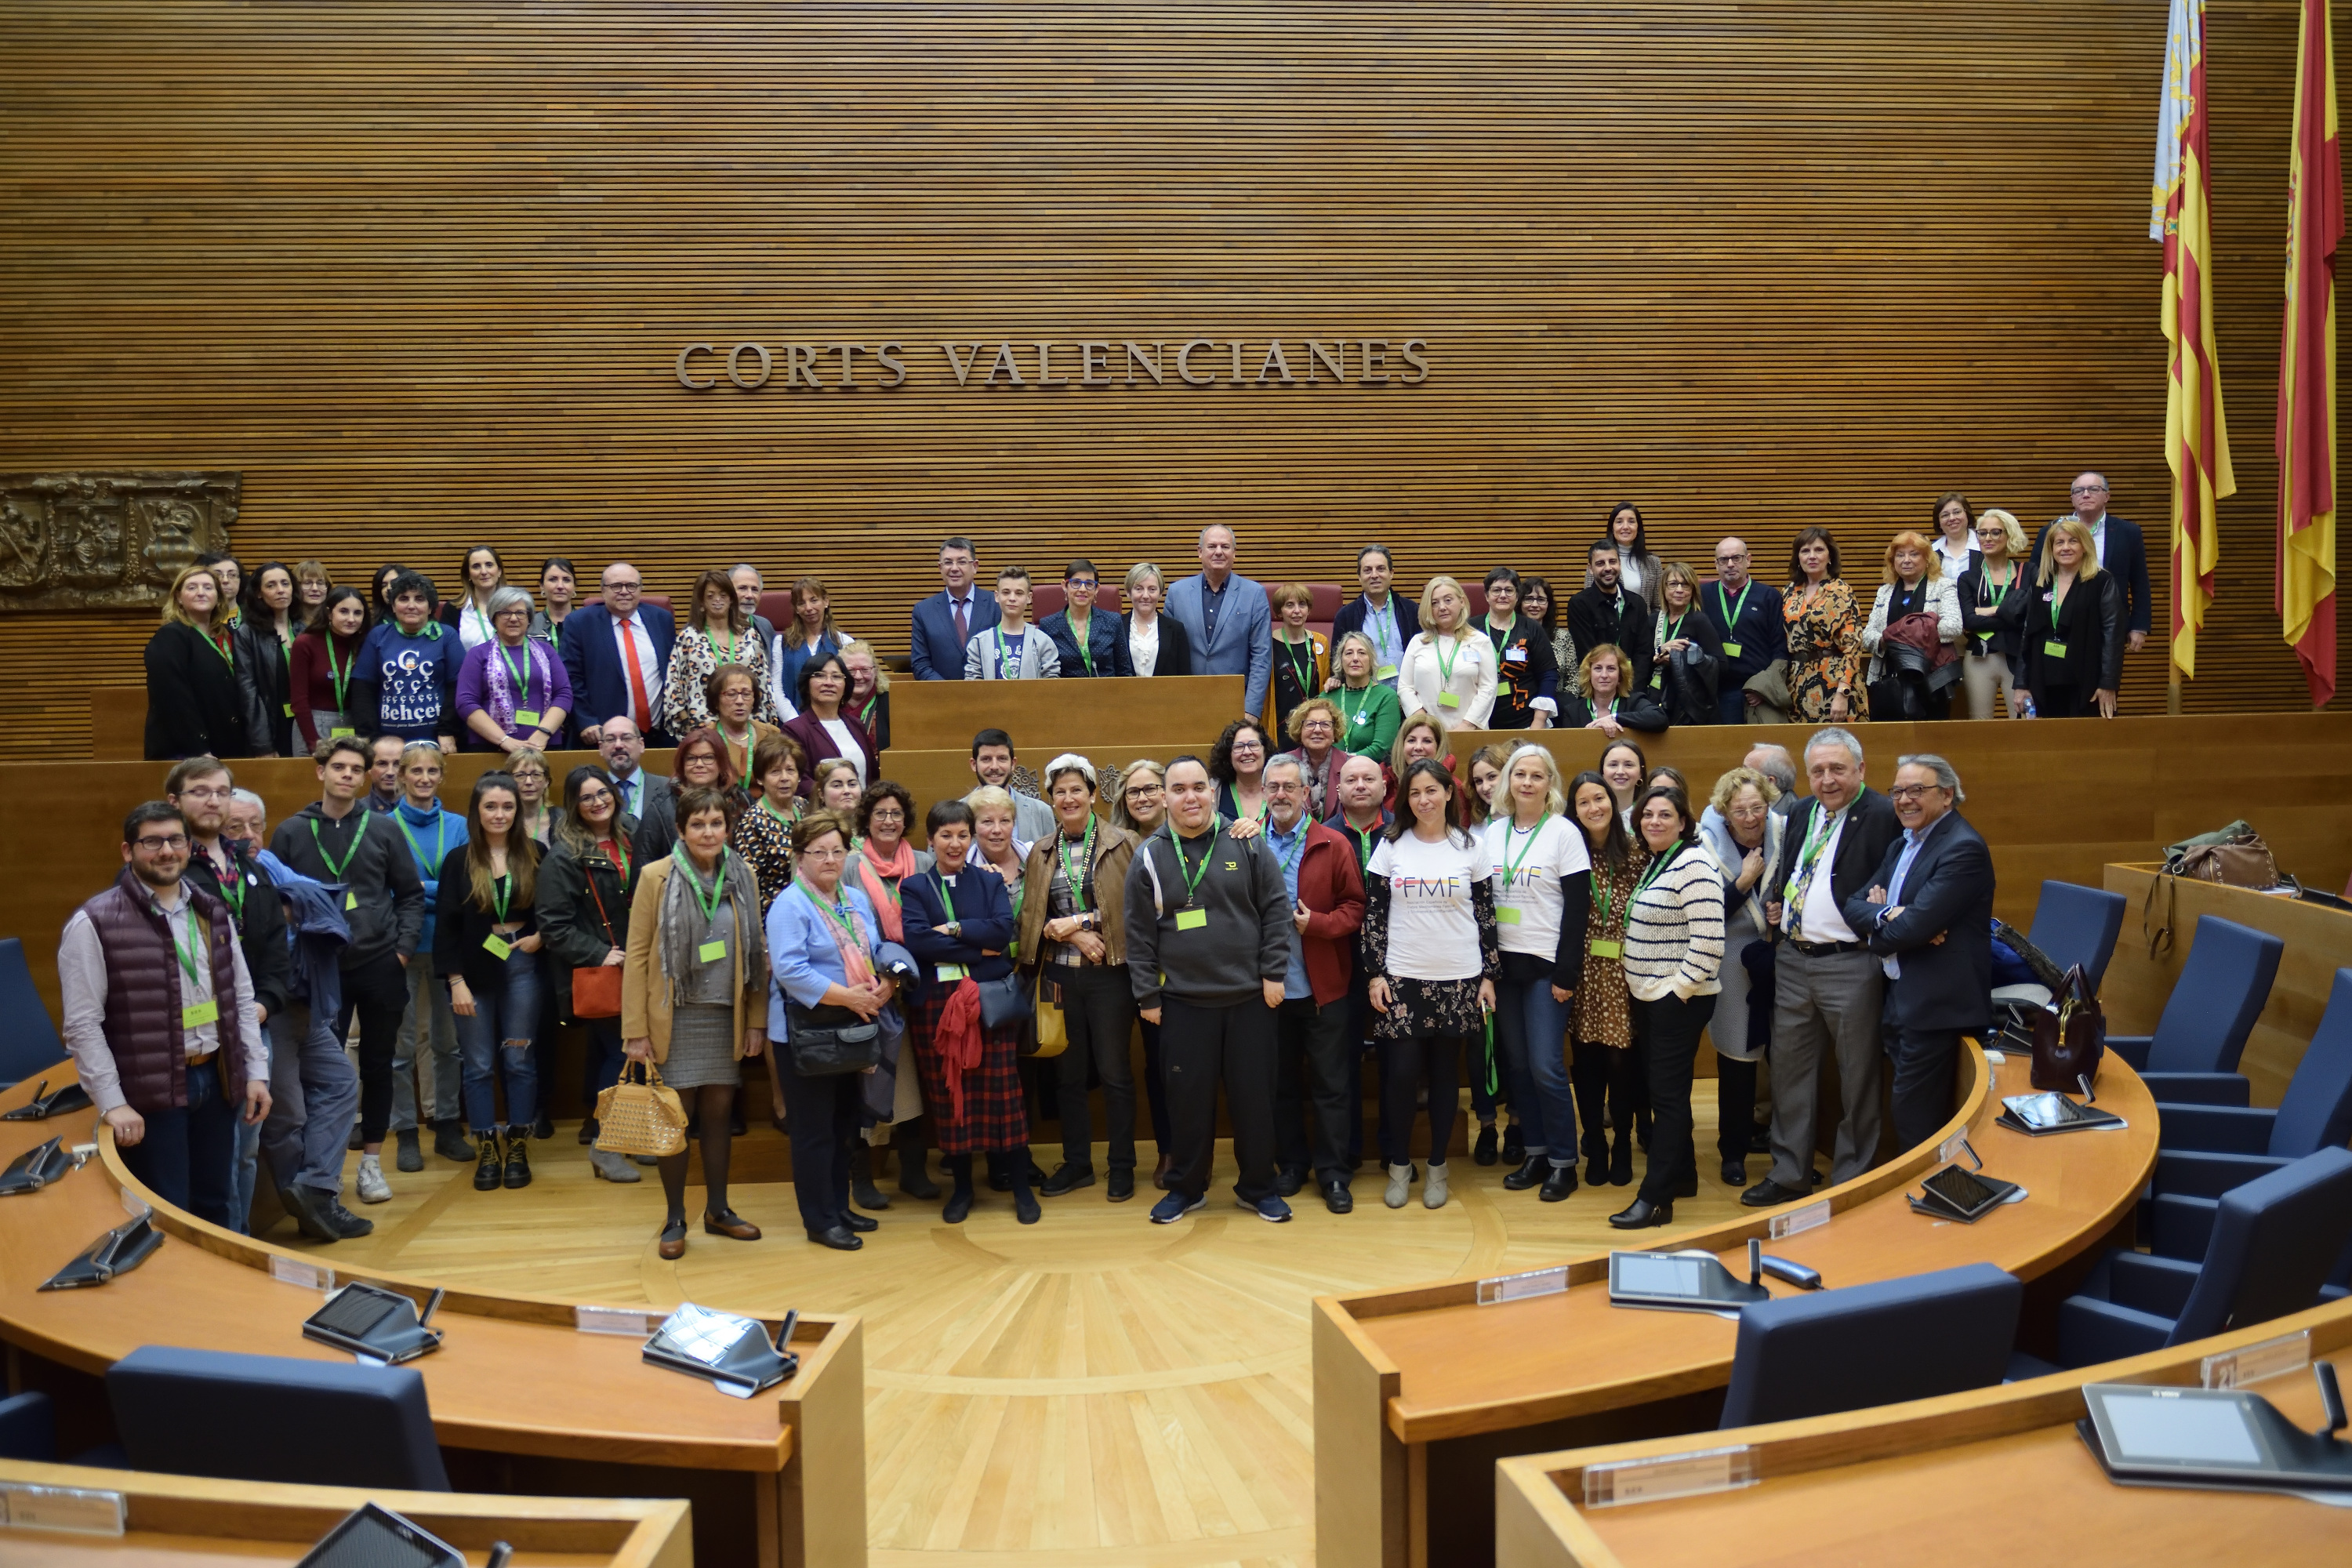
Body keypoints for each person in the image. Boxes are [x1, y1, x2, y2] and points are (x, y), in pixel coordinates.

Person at [61, 801, 270, 1226]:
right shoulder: (95, 921)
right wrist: (112, 1104)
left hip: (217, 1078)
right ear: (128, 851)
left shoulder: (211, 910)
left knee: (217, 1207)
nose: (166, 851)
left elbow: (241, 996)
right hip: (151, 1092)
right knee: (167, 1215)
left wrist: (256, 1071)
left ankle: (216, 1295)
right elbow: (83, 1025)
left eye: (175, 840)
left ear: (189, 846)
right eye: (151, 842)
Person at [1124, 756, 1294, 1224]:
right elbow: (1138, 934)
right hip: (1182, 1004)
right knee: (1187, 1105)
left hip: (1250, 1000)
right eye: (1178, 789)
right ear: (1164, 797)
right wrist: (1147, 996)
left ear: (1213, 793)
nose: (1190, 797)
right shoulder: (1151, 854)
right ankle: (1187, 1187)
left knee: (1255, 1101)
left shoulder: (1247, 841)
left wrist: (1274, 973)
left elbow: (1277, 911)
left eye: (1199, 787)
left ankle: (1259, 1187)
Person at [1744, 727, 1900, 1207]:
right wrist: (1777, 904)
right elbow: (1792, 871)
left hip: (1849, 963)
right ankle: (1790, 1171)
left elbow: (1894, 880)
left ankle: (1852, 1178)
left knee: (1858, 1076)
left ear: (1861, 769)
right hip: (1793, 958)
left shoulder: (1881, 815)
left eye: (1838, 769)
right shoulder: (1802, 812)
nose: (1828, 780)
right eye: (1818, 771)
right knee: (1789, 1071)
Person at [270, 736, 424, 1205]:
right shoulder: (292, 832)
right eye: (339, 767)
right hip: (319, 972)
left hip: (379, 964)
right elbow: (275, 903)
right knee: (324, 1074)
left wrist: (400, 951)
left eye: (357, 770)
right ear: (321, 772)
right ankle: (327, 1170)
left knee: (379, 1063)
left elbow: (411, 895)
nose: (347, 776)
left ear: (367, 777)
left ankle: (373, 1165)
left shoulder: (383, 828)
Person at [623, 784, 768, 1258]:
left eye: (717, 823)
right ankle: (675, 1217)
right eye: (698, 824)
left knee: (719, 1116)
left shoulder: (742, 873)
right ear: (682, 830)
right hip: (674, 1016)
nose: (709, 832)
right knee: (675, 1120)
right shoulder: (655, 876)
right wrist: (635, 1031)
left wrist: (756, 1022)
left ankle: (719, 1210)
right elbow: (638, 956)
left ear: (728, 827)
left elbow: (757, 951)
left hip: (726, 1016)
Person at [1363, 757, 1497, 1211]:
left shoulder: (1469, 847)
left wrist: (1488, 976)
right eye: (1415, 793)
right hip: (1403, 978)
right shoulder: (1390, 845)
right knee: (1400, 1077)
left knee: (1444, 1078)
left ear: (1448, 794)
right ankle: (1400, 1165)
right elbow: (1375, 916)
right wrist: (1375, 974)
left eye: (1432, 791)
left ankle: (1438, 1166)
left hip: (1459, 978)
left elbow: (1485, 916)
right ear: (1406, 799)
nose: (1424, 800)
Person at [166, 759, 291, 1234]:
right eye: (201, 791)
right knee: (211, 1160)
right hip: (199, 1038)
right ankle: (216, 1252)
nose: (213, 801)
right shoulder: (169, 866)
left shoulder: (248, 866)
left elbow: (277, 948)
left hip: (251, 1026)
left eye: (222, 791)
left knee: (246, 1152)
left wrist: (265, 1004)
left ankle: (240, 1244)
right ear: (176, 802)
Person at [768, 810, 900, 1250]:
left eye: (837, 851)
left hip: (853, 1027)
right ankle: (819, 1220)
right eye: (818, 852)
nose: (829, 859)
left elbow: (879, 948)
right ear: (799, 857)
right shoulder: (790, 904)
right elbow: (790, 970)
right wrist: (851, 998)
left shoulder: (854, 899)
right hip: (806, 1034)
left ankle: (840, 1207)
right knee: (814, 1131)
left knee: (845, 1125)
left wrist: (886, 982)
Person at [1852, 756, 1996, 1149]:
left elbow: (1915, 927)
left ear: (1947, 795)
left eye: (1917, 790)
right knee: (1910, 1111)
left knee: (1916, 1118)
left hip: (1937, 1006)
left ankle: (1932, 1198)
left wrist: (1882, 932)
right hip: (1901, 993)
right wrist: (1890, 914)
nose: (1904, 800)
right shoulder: (1903, 843)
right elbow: (1852, 904)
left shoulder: (1962, 848)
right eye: (1897, 791)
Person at [902, 799, 1035, 1222]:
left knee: (1004, 1096)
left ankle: (1019, 1188)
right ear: (931, 841)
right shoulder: (915, 888)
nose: (955, 844)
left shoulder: (989, 881)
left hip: (986, 999)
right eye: (946, 836)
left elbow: (1003, 929)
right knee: (949, 1096)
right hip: (937, 1007)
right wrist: (978, 946)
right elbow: (918, 941)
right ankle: (961, 1189)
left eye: (962, 835)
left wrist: (956, 930)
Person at [1022, 755, 1143, 1201]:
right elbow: (1035, 920)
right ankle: (1077, 1164)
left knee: (1115, 1074)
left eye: (1077, 790)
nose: (1068, 798)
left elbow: (1136, 908)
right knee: (1067, 1077)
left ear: (1093, 795)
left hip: (1110, 977)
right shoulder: (1040, 851)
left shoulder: (1124, 842)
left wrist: (1078, 924)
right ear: (1050, 801)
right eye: (1059, 792)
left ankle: (1123, 1166)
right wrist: (1072, 937)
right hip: (1059, 977)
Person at [1252, 753, 1367, 1210]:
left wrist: (1316, 924)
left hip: (1324, 989)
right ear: (1264, 793)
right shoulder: (1246, 842)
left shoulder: (1333, 843)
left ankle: (1335, 1174)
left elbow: (1355, 909)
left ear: (1307, 793)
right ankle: (1293, 1165)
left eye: (1289, 787)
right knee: (1280, 1086)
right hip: (1268, 991)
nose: (1281, 794)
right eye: (1273, 787)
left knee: (1331, 1085)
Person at [1609, 784, 1725, 1229]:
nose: (1654, 822)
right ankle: (1684, 1176)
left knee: (1669, 1098)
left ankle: (1655, 1200)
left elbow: (1710, 941)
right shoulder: (1661, 860)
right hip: (1651, 995)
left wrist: (1678, 991)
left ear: (1683, 822)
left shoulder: (1694, 863)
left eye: (1664, 815)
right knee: (1666, 1093)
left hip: (1676, 1000)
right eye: (1647, 815)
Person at [1485, 745, 1591, 1203]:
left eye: (1537, 775)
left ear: (1551, 784)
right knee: (1519, 1067)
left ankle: (1564, 1162)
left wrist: (1567, 973)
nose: (1527, 783)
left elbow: (1577, 910)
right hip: (1504, 967)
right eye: (1520, 774)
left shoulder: (1564, 833)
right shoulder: (1492, 833)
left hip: (1548, 967)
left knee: (1547, 1066)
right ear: (1508, 781)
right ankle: (1536, 1153)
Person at [437, 771, 543, 1192]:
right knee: (479, 1065)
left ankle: (517, 1144)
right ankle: (486, 1146)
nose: (499, 814)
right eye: (491, 806)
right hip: (473, 971)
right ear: (476, 812)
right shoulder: (458, 860)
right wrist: (456, 981)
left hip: (522, 966)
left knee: (518, 1060)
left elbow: (556, 912)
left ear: (518, 812)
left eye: (508, 807)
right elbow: (445, 927)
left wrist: (542, 936)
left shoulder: (536, 854)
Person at [536, 764, 641, 1183]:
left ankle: (627, 1138)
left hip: (643, 964)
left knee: (621, 1055)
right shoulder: (564, 854)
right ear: (574, 806)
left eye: (603, 793)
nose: (598, 802)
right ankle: (604, 1143)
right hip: (605, 971)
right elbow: (553, 925)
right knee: (620, 1056)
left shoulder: (633, 834)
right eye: (587, 797)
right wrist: (600, 953)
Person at [1697, 767, 1786, 1185]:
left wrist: (1780, 910)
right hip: (1730, 959)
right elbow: (1704, 911)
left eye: (1757, 808)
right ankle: (1731, 1153)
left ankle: (1787, 1151)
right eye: (1740, 811)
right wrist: (1744, 881)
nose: (1750, 818)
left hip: (1780, 957)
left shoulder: (1784, 834)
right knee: (1737, 1059)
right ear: (1725, 813)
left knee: (1788, 1058)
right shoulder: (1706, 843)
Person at [386, 742, 469, 1173]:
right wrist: (432, 890)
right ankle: (405, 1132)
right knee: (400, 1047)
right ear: (400, 776)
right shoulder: (383, 826)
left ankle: (448, 1125)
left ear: (441, 776)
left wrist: (418, 889)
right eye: (414, 771)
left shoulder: (457, 826)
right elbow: (384, 888)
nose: (423, 778)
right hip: (399, 948)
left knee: (447, 1043)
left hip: (447, 948)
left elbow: (464, 886)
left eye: (431, 771)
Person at [1566, 768, 1646, 1188]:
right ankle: (1594, 1140)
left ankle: (1623, 1143)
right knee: (1587, 1062)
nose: (1593, 807)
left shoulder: (1635, 850)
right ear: (1574, 810)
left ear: (1612, 804)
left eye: (1600, 799)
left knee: (1621, 1060)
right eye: (1583, 802)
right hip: (1581, 968)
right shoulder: (1570, 851)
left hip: (1625, 968)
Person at [1326, 751, 1392, 1175]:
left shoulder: (1408, 832)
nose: (1361, 786)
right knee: (1343, 1060)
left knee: (1396, 1063)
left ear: (1385, 787)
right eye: (1352, 780)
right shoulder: (1322, 836)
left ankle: (1394, 1151)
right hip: (1342, 961)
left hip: (1399, 962)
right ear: (1338, 789)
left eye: (1370, 778)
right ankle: (1347, 1152)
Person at [2032, 471, 2152, 664]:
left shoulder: (2128, 533)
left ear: (2107, 496)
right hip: (2057, 622)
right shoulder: (2050, 532)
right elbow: (2036, 577)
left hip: (2107, 624)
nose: (2085, 494)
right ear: (2072, 499)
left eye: (2093, 489)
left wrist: (2139, 627)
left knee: (2103, 686)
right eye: (2079, 490)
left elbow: (2140, 583)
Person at [2020, 517, 2127, 719]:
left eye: (2073, 541)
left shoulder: (2102, 581)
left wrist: (2108, 683)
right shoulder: (2041, 582)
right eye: (2059, 543)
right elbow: (2028, 634)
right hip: (2044, 680)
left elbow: (2112, 637)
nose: (2065, 548)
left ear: (2085, 546)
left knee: (2086, 744)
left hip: (2087, 682)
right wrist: (2021, 684)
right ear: (2051, 549)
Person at [562, 561, 675, 747]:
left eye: (631, 586)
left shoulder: (661, 619)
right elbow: (571, 678)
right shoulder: (580, 623)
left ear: (640, 589)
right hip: (603, 736)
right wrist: (586, 721)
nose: (624, 591)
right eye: (616, 586)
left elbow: (672, 673)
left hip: (659, 734)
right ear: (603, 590)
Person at [1166, 524, 1272, 721]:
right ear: (1199, 552)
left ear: (1234, 553)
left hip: (1236, 703)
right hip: (1186, 701)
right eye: (1212, 546)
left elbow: (1262, 656)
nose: (1218, 552)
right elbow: (1169, 655)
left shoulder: (1254, 594)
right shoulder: (1177, 593)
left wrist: (1251, 709)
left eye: (1225, 546)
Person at [145, 564, 248, 760]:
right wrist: (198, 748)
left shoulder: (228, 635)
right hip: (188, 751)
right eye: (192, 588)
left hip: (227, 743)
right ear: (179, 598)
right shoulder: (172, 636)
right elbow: (172, 696)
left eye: (208, 588)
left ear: (218, 597)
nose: (201, 593)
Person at [456, 586, 572, 754]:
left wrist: (543, 733)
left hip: (544, 746)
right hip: (491, 748)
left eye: (520, 613)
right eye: (505, 613)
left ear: (529, 618)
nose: (513, 618)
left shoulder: (547, 652)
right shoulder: (478, 654)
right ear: (494, 618)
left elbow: (564, 694)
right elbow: (465, 703)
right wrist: (504, 740)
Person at [354, 571, 461, 751]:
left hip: (436, 740)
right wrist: (369, 736)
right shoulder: (378, 635)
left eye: (419, 599)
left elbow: (457, 686)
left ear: (430, 607)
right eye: (404, 599)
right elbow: (363, 689)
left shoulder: (447, 635)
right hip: (387, 742)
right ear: (393, 607)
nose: (411, 605)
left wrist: (447, 730)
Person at [1860, 532, 1963, 720]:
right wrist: (1886, 638)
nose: (1906, 560)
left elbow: (1954, 627)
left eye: (1914, 554)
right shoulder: (1885, 591)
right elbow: (1868, 637)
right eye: (1900, 555)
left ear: (1927, 559)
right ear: (1893, 561)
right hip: (1888, 678)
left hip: (1932, 679)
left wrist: (1902, 635)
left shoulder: (1943, 586)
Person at [667, 568, 777, 735]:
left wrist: (762, 721)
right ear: (702, 602)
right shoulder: (688, 637)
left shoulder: (750, 636)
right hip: (703, 730)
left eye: (723, 595)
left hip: (747, 728)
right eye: (710, 596)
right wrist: (687, 725)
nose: (717, 600)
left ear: (732, 600)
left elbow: (763, 684)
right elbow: (674, 687)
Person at [1783, 527, 1868, 724]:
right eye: (1805, 551)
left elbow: (1853, 649)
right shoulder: (1788, 592)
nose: (1812, 556)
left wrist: (1843, 692)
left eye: (1819, 550)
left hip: (1834, 681)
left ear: (1830, 556)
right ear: (1798, 558)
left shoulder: (1841, 591)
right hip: (1796, 682)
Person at [1702, 539, 1788, 725]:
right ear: (1716, 564)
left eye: (1736, 558)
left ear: (1748, 560)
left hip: (1758, 689)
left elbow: (1780, 648)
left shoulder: (1769, 596)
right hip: (1718, 690)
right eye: (1724, 560)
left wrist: (1763, 688)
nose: (1730, 564)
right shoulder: (1702, 595)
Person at [1957, 509, 2031, 720]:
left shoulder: (2029, 572)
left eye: (1996, 532)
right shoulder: (1968, 577)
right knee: (1979, 726)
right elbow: (1970, 620)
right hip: (1980, 657)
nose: (1988, 538)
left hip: (2019, 657)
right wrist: (2011, 614)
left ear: (2010, 535)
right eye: (1982, 533)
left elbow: (2028, 617)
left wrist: (1992, 610)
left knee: (2023, 721)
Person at [1398, 574, 1497, 727]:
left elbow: (1488, 689)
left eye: (1448, 600)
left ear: (1462, 602)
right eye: (1435, 603)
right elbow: (1405, 688)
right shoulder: (1418, 642)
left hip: (1471, 730)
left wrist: (1467, 725)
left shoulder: (1480, 641)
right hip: (1427, 734)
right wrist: (1424, 723)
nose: (1442, 607)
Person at [779, 651, 880, 793]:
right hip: (822, 813)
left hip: (862, 812)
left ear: (846, 685)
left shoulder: (856, 725)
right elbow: (799, 781)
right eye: (820, 676)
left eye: (837, 677)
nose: (829, 683)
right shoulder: (794, 730)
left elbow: (873, 776)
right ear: (807, 684)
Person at [635, 725, 733, 865]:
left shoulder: (740, 800)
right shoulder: (661, 808)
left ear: (721, 762)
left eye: (708, 757)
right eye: (691, 758)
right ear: (682, 764)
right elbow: (643, 863)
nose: (699, 764)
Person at [1566, 541, 1655, 692]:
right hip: (1597, 691)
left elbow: (1644, 653)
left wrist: (1631, 690)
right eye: (1600, 563)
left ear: (1619, 564)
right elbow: (1587, 655)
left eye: (1612, 562)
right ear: (1591, 569)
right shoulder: (1579, 604)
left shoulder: (1637, 603)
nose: (1608, 568)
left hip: (1634, 690)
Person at [1329, 544, 1419, 691]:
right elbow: (1337, 664)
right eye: (1367, 570)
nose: (1374, 575)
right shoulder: (1346, 615)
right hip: (1366, 698)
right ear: (1359, 576)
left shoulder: (1412, 610)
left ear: (1391, 573)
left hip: (1409, 696)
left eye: (1380, 569)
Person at [1478, 568, 1559, 730]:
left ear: (1517, 596)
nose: (1503, 595)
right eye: (1496, 590)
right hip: (1479, 724)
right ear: (1486, 595)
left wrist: (1538, 722)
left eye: (1509, 590)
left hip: (1526, 723)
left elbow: (1548, 675)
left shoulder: (1533, 628)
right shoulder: (1471, 629)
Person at [910, 535, 1000, 681]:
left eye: (961, 562)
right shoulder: (924, 611)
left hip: (989, 696)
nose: (954, 568)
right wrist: (949, 692)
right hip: (942, 698)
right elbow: (921, 664)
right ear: (940, 567)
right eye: (948, 562)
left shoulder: (996, 604)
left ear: (975, 566)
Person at [291, 586, 369, 752]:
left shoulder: (365, 645)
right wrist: (314, 743)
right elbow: (299, 701)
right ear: (329, 614)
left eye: (357, 613)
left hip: (352, 724)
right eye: (343, 611)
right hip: (312, 725)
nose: (351, 619)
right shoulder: (305, 643)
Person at [1649, 561, 1727, 726]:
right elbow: (1638, 659)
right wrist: (1659, 650)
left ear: (1692, 591)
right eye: (1673, 584)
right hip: (1653, 697)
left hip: (1686, 704)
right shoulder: (1653, 620)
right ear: (1664, 588)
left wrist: (1680, 659)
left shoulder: (1699, 620)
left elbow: (1721, 665)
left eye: (1685, 585)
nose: (1679, 590)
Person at [235, 561, 300, 757]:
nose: (280, 590)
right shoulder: (247, 633)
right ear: (258, 593)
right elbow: (248, 692)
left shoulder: (304, 629)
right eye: (271, 585)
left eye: (285, 584)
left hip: (304, 722)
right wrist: (262, 744)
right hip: (272, 724)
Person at [735, 733, 806, 913]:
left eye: (790, 770)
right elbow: (748, 886)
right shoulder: (752, 822)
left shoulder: (804, 807)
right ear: (760, 779)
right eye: (775, 771)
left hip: (812, 908)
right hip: (775, 913)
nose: (784, 778)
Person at [965, 566, 1062, 679]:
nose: (1012, 598)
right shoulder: (979, 643)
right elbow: (972, 688)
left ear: (1029, 598)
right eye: (1006, 592)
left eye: (1019, 593)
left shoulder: (1043, 642)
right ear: (997, 596)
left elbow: (1051, 686)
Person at [957, 728, 1051, 840]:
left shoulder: (1041, 812)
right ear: (973, 764)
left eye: (1002, 759)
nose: (994, 767)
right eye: (986, 759)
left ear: (1013, 764)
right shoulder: (957, 813)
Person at [1042, 558, 1126, 678]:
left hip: (1108, 694)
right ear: (1065, 586)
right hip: (1066, 695)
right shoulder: (1048, 625)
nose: (1082, 589)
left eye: (1089, 584)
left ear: (1097, 589)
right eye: (1076, 583)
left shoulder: (1113, 621)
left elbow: (1125, 673)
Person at [1327, 631, 1403, 760]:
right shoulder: (1328, 697)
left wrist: (1346, 760)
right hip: (1329, 772)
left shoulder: (1386, 697)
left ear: (1372, 659)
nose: (1355, 658)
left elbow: (1381, 748)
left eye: (1362, 653)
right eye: (1349, 653)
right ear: (1340, 660)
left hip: (1369, 771)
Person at [1265, 583, 1330, 733]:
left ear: (1309, 610)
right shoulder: (1267, 644)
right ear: (1279, 612)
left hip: (1314, 726)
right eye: (1289, 605)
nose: (1297, 611)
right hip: (1281, 725)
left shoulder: (1321, 642)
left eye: (1302, 604)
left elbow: (1325, 684)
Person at [771, 574, 847, 704]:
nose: (808, 608)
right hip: (792, 720)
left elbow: (847, 689)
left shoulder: (844, 643)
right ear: (796, 609)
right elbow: (777, 689)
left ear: (826, 601)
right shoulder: (782, 643)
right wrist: (794, 721)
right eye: (801, 603)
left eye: (814, 600)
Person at [706, 664, 782, 792]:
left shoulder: (771, 734)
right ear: (716, 701)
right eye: (731, 694)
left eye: (746, 694)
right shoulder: (705, 738)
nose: (740, 701)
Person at [1561, 644, 1667, 735]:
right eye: (1598, 668)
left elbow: (1660, 718)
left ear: (1620, 675)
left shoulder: (1634, 702)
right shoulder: (1572, 712)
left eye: (1611, 669)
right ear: (1589, 674)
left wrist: (1614, 718)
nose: (1604, 675)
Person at [1281, 695, 1349, 819]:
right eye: (1310, 724)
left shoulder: (1349, 765)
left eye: (1325, 724)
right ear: (1300, 731)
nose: (1317, 730)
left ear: (1335, 732)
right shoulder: (1284, 765)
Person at [1120, 561, 1192, 677]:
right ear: (1128, 592)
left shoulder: (1176, 629)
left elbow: (1184, 675)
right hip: (1124, 694)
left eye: (1152, 589)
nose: (1146, 595)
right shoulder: (1117, 627)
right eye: (1139, 589)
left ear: (1160, 594)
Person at [967, 786, 1030, 915]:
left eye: (1005, 821)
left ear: (1014, 824)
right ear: (973, 828)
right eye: (988, 821)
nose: (997, 830)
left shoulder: (1035, 857)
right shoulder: (964, 872)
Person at [1594, 502, 1667, 606]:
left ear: (1638, 528)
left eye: (1631, 522)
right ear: (1612, 528)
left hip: (1643, 621)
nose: (1625, 527)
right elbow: (1590, 601)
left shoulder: (1653, 562)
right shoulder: (1598, 560)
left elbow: (1658, 606)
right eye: (1619, 522)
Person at [1210, 719, 1274, 829]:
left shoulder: (1280, 787)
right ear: (1229, 755)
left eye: (1253, 745)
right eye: (1239, 747)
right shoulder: (1214, 789)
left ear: (1265, 750)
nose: (1247, 752)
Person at [442, 546, 506, 651]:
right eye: (476, 567)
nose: (484, 571)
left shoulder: (516, 607)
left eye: (489, 565)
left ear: (499, 571)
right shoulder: (452, 610)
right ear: (468, 574)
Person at [597, 716, 654, 821]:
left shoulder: (666, 789)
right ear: (601, 748)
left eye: (626, 738)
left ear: (641, 745)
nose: (618, 745)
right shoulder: (592, 793)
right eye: (610, 739)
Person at [1519, 575, 1570, 692]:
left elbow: (1573, 681)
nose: (1535, 605)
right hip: (1520, 702)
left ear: (1549, 604)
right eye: (1529, 599)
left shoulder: (1563, 637)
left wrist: (1564, 706)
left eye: (1541, 599)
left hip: (1558, 704)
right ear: (1520, 603)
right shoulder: (1511, 636)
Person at [840, 639, 891, 750]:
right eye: (851, 670)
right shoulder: (830, 705)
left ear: (875, 671)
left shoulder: (892, 703)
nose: (858, 676)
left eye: (865, 669)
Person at [527, 557, 579, 654]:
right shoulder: (528, 625)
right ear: (542, 586)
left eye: (566, 580)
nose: (560, 586)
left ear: (574, 586)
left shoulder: (587, 624)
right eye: (553, 580)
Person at [1929, 492, 1982, 582]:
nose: (1952, 518)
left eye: (1957, 512)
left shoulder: (1984, 546)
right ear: (1939, 522)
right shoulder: (1931, 552)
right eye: (1945, 515)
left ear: (1967, 515)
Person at [1599, 738, 1648, 829]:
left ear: (1640, 773)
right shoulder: (1594, 814)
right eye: (1613, 765)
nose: (1620, 771)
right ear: (1603, 772)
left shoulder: (1650, 814)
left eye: (1628, 765)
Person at [729, 562, 779, 652]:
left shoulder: (765, 626)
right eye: (742, 588)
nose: (750, 595)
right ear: (728, 591)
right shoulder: (715, 626)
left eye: (755, 590)